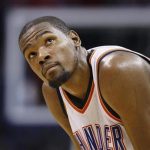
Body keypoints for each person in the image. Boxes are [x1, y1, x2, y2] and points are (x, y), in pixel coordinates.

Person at [18, 16, 150, 150]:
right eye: (31, 55)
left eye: (49, 41)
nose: (41, 56)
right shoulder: (53, 93)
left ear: (74, 39)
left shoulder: (118, 71)